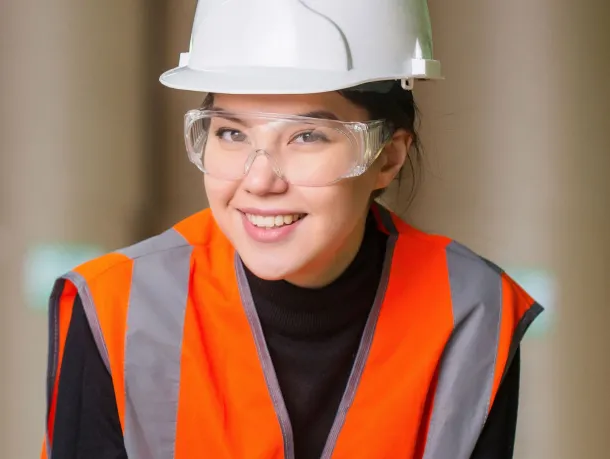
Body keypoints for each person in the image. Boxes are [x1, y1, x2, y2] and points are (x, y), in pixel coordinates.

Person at [40, 1, 543, 458]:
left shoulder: (471, 311)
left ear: (387, 158)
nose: (258, 181)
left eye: (307, 136)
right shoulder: (117, 306)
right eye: (231, 133)